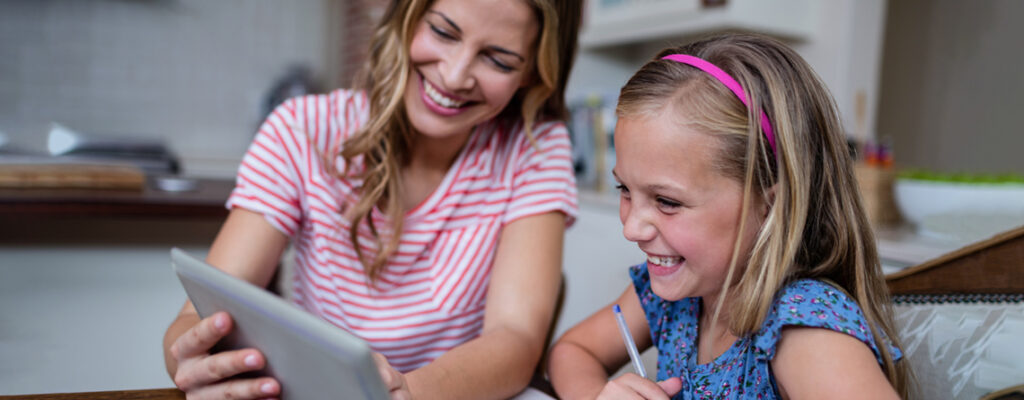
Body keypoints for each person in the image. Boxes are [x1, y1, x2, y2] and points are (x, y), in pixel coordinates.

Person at [162, 0, 583, 398]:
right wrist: (193, 361)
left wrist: (408, 394)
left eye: (498, 60)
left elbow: (517, 339)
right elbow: (194, 319)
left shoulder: (535, 148)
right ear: (406, 15)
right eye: (442, 31)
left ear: (531, 73)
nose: (454, 77)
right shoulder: (301, 131)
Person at [546, 33, 911, 399]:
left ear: (771, 206)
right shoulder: (677, 293)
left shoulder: (802, 329)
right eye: (624, 190)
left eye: (667, 201)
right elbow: (573, 351)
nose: (631, 228)